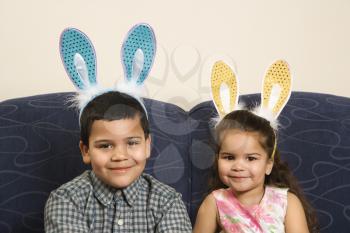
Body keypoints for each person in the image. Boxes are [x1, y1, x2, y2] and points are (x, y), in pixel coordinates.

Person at [44, 24, 192, 232]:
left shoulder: (167, 202)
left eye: (132, 142)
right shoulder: (66, 201)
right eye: (105, 146)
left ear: (147, 145)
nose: (120, 155)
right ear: (86, 150)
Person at [193, 60, 319, 233]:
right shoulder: (214, 203)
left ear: (268, 164)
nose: (238, 166)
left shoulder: (287, 202)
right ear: (218, 158)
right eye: (229, 157)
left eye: (251, 158)